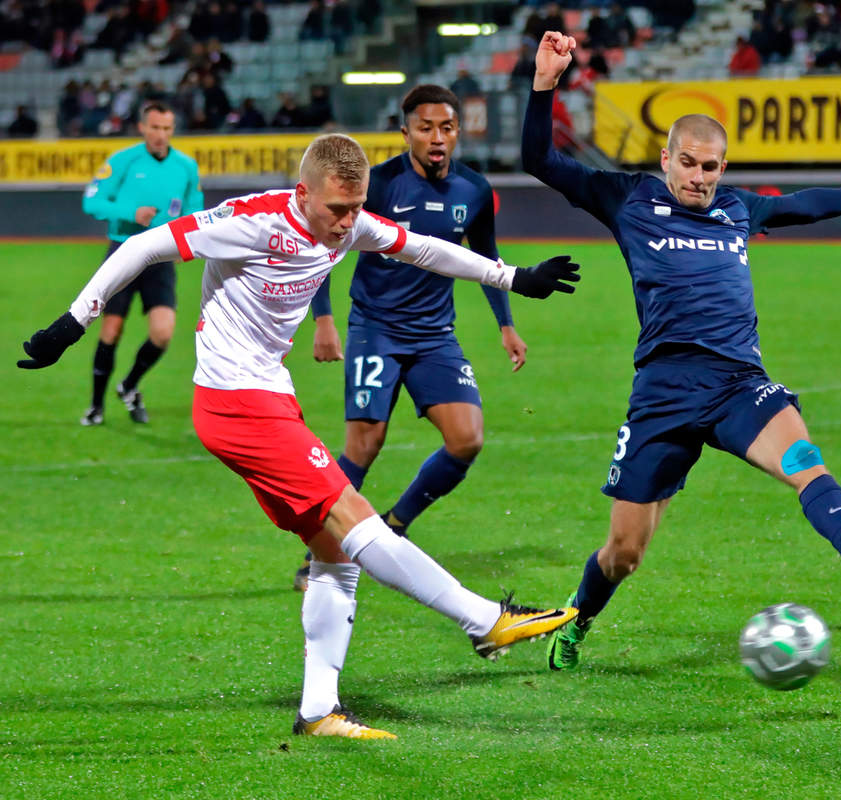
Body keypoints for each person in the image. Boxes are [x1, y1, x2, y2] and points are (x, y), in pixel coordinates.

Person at [18, 133, 582, 739]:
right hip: (235, 402)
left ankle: (319, 710)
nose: (346, 223)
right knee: (355, 514)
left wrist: (515, 278)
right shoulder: (252, 222)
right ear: (303, 192)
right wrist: (73, 323)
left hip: (266, 396)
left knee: (334, 550)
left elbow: (423, 249)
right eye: (336, 209)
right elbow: (144, 245)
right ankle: (483, 620)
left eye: (355, 207)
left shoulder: (352, 222)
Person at [522, 32, 841, 672]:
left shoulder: (737, 209)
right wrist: (545, 84)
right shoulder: (626, 198)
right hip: (663, 391)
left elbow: (801, 206)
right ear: (666, 158)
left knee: (803, 459)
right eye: (689, 163)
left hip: (739, 381)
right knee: (624, 553)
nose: (701, 178)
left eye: (712, 167)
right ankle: (577, 617)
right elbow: (540, 159)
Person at [293, 84, 527, 590]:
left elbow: (487, 260)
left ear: (458, 132)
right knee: (365, 443)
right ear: (406, 134)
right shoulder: (377, 185)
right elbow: (323, 246)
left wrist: (505, 324)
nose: (437, 138)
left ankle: (394, 525)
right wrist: (324, 319)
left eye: (446, 128)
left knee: (467, 439)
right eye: (425, 128)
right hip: (375, 328)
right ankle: (321, 554)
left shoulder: (474, 190)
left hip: (435, 335)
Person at [79, 101, 202, 426]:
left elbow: (194, 209)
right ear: (143, 128)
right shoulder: (122, 161)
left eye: (167, 128)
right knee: (111, 329)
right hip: (123, 251)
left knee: (163, 334)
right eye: (155, 127)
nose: (161, 134)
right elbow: (92, 200)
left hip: (160, 256)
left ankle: (129, 386)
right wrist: (129, 214)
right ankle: (95, 406)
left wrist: (186, 244)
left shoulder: (186, 167)